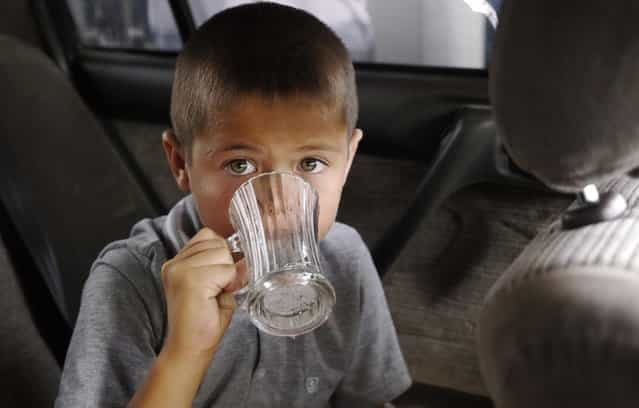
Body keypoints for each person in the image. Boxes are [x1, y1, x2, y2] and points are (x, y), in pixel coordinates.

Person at [55, 3, 411, 407]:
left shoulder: (346, 259)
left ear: (347, 161)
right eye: (240, 165)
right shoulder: (130, 282)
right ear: (180, 162)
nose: (276, 202)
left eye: (310, 163)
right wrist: (185, 352)